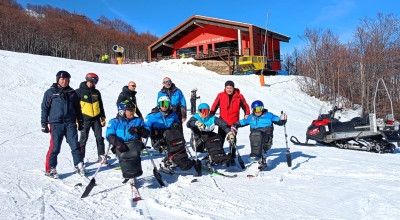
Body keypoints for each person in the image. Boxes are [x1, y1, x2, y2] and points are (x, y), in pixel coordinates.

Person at [41, 71, 85, 178]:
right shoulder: (51, 92)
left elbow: (78, 109)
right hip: (56, 123)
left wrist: (80, 121)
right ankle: (51, 169)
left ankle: (79, 164)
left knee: (75, 145)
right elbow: (45, 108)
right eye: (62, 80)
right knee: (55, 147)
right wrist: (44, 123)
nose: (64, 82)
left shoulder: (72, 93)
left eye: (66, 80)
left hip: (70, 123)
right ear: (58, 80)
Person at [146, 96, 194, 171]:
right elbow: (146, 128)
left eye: (166, 103)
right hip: (159, 140)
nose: (164, 106)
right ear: (159, 105)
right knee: (169, 133)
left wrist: (177, 125)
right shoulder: (152, 116)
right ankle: (176, 159)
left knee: (175, 132)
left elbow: (178, 124)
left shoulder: (173, 114)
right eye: (162, 103)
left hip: (171, 138)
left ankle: (182, 158)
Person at [106, 101, 150, 180]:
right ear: (122, 111)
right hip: (121, 146)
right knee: (124, 155)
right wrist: (117, 143)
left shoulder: (138, 121)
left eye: (133, 110)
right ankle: (127, 171)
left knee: (134, 151)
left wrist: (138, 129)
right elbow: (109, 135)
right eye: (130, 110)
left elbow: (147, 133)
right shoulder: (114, 122)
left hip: (134, 145)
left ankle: (134, 171)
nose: (132, 112)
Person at [210, 80, 250, 163]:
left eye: (230, 88)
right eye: (227, 88)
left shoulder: (239, 96)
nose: (229, 89)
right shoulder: (220, 95)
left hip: (233, 123)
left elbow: (245, 106)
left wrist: (247, 114)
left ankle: (232, 157)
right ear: (225, 88)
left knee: (232, 141)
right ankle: (219, 156)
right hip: (222, 123)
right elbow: (215, 105)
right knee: (220, 140)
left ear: (233, 88)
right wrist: (211, 114)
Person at [76, 73, 106, 164]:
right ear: (90, 80)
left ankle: (101, 156)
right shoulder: (79, 92)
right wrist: (76, 120)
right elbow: (74, 107)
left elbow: (100, 105)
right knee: (83, 140)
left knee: (99, 138)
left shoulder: (96, 92)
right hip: (85, 120)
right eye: (95, 81)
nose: (96, 84)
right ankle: (80, 159)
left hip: (96, 119)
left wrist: (103, 117)